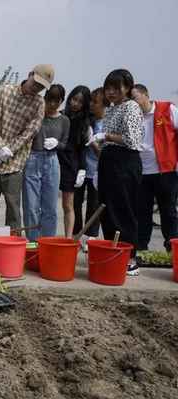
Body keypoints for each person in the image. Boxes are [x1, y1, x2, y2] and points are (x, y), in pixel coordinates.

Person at [0, 65, 52, 229]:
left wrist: (8, 151)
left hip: (14, 162)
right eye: (36, 83)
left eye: (41, 87)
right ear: (30, 75)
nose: (37, 88)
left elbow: (30, 132)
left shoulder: (39, 104)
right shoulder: (4, 91)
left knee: (13, 206)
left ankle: (12, 245)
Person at [92, 69, 144, 276]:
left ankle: (130, 257)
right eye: (108, 88)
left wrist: (107, 136)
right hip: (109, 161)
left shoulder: (131, 107)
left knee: (124, 209)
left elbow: (132, 140)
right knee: (108, 209)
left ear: (128, 88)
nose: (111, 92)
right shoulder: (112, 108)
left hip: (125, 162)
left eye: (116, 88)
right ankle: (114, 252)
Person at [132, 84, 178, 252]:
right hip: (141, 172)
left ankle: (172, 247)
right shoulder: (133, 116)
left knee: (168, 211)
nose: (134, 104)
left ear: (146, 95)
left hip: (165, 171)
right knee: (142, 212)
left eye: (136, 98)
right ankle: (142, 248)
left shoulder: (167, 109)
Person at [22, 84, 69, 241]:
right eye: (50, 100)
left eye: (57, 101)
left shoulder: (64, 120)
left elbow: (65, 143)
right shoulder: (37, 114)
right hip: (33, 158)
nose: (52, 104)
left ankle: (47, 241)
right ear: (45, 98)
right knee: (31, 205)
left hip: (52, 160)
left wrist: (57, 143)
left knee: (50, 206)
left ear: (61, 101)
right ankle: (33, 241)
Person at [73, 87, 106, 248]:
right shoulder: (87, 120)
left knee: (94, 205)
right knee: (75, 203)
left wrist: (92, 141)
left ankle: (90, 236)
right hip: (81, 169)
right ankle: (76, 233)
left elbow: (104, 155)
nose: (91, 105)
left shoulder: (107, 125)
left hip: (97, 171)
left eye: (95, 102)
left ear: (104, 104)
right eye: (91, 101)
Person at [58, 86, 92, 238]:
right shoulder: (60, 116)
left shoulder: (85, 123)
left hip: (71, 165)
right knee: (48, 205)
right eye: (74, 99)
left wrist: (82, 169)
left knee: (68, 205)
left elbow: (83, 149)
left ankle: (68, 237)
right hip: (54, 163)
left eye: (80, 101)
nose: (75, 103)